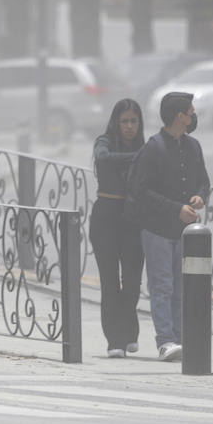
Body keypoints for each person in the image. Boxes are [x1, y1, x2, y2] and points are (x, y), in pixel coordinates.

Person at [127, 91, 209, 363]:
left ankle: (180, 338)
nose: (193, 115)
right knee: (161, 286)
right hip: (157, 230)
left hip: (185, 232)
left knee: (180, 288)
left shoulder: (193, 146)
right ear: (179, 116)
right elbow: (141, 190)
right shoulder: (153, 148)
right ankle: (165, 341)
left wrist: (199, 196)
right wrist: (176, 209)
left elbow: (203, 181)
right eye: (190, 111)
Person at [91, 98, 145, 358]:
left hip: (133, 219)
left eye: (134, 121)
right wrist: (137, 159)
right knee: (109, 283)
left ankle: (130, 332)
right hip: (106, 218)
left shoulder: (144, 146)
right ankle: (115, 340)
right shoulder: (104, 142)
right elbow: (102, 159)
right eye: (125, 121)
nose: (130, 126)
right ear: (116, 122)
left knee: (133, 282)